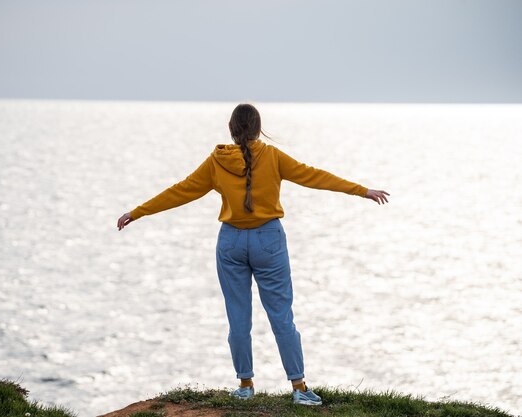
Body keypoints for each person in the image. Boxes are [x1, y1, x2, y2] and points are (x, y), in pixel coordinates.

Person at [117, 103, 390, 406]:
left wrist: (138, 212)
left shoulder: (216, 162)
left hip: (230, 242)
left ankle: (245, 385)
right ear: (259, 129)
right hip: (268, 240)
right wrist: (362, 190)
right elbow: (314, 176)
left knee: (238, 318)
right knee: (281, 316)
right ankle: (299, 387)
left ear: (231, 130)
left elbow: (181, 190)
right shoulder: (272, 157)